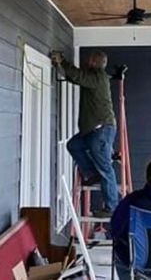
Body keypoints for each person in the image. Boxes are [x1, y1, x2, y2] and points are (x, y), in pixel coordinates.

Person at [51, 49, 120, 215]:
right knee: (74, 145)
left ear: (95, 62)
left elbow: (79, 77)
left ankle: (112, 207)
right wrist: (61, 67)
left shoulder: (98, 77)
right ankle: (91, 174)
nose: (87, 62)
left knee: (105, 168)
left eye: (90, 60)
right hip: (93, 130)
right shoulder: (94, 78)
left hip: (101, 129)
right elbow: (77, 77)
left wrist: (63, 62)